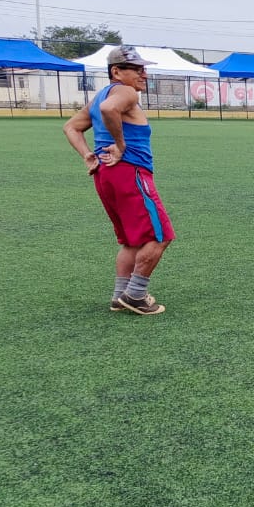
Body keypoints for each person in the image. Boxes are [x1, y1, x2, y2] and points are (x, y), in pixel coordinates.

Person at [62, 46, 174, 315]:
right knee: (160, 236)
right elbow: (109, 108)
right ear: (116, 71)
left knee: (131, 241)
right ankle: (135, 295)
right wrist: (121, 145)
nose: (144, 75)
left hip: (106, 175)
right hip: (129, 172)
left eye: (144, 69)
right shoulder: (125, 92)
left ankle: (119, 296)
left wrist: (87, 155)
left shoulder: (100, 94)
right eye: (137, 69)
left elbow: (71, 127)